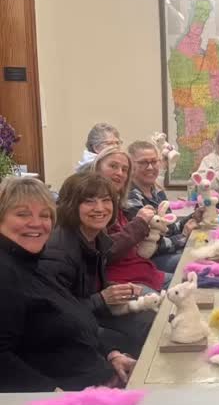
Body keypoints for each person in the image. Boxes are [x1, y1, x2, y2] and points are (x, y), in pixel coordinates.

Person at [0, 176, 133, 391]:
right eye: (22, 214)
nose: (36, 223)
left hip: (100, 381)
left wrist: (112, 355)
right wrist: (55, 396)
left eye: (45, 215)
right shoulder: (6, 273)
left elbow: (75, 319)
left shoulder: (34, 263)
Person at [40, 173, 155, 358]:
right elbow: (55, 315)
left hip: (89, 313)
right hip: (67, 332)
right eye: (89, 201)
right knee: (146, 327)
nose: (100, 208)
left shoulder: (95, 237)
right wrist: (102, 298)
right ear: (71, 205)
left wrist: (113, 289)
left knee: (152, 314)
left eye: (106, 200)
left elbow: (86, 287)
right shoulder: (58, 252)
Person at [87, 146, 167, 291]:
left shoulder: (117, 204)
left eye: (124, 170)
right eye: (113, 166)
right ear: (97, 168)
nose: (119, 173)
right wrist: (140, 222)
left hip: (144, 272)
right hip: (122, 281)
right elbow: (106, 251)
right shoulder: (91, 206)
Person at [126, 140, 199, 273]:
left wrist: (194, 217)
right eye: (143, 162)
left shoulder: (157, 191)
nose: (150, 167)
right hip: (146, 261)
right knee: (194, 263)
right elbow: (150, 245)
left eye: (154, 161)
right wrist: (183, 237)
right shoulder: (130, 197)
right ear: (131, 166)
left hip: (164, 253)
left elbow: (169, 229)